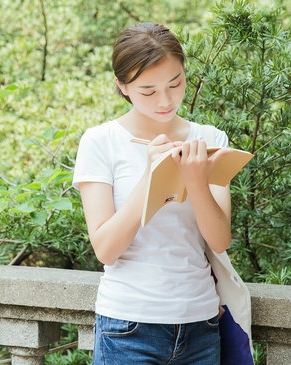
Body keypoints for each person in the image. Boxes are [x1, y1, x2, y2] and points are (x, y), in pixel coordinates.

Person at [72, 23, 232, 364]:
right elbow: (106, 249)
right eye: (148, 91)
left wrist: (196, 179)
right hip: (127, 328)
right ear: (122, 86)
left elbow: (219, 240)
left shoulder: (210, 139)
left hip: (200, 324)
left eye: (175, 83)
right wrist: (151, 177)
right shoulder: (101, 142)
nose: (166, 100)